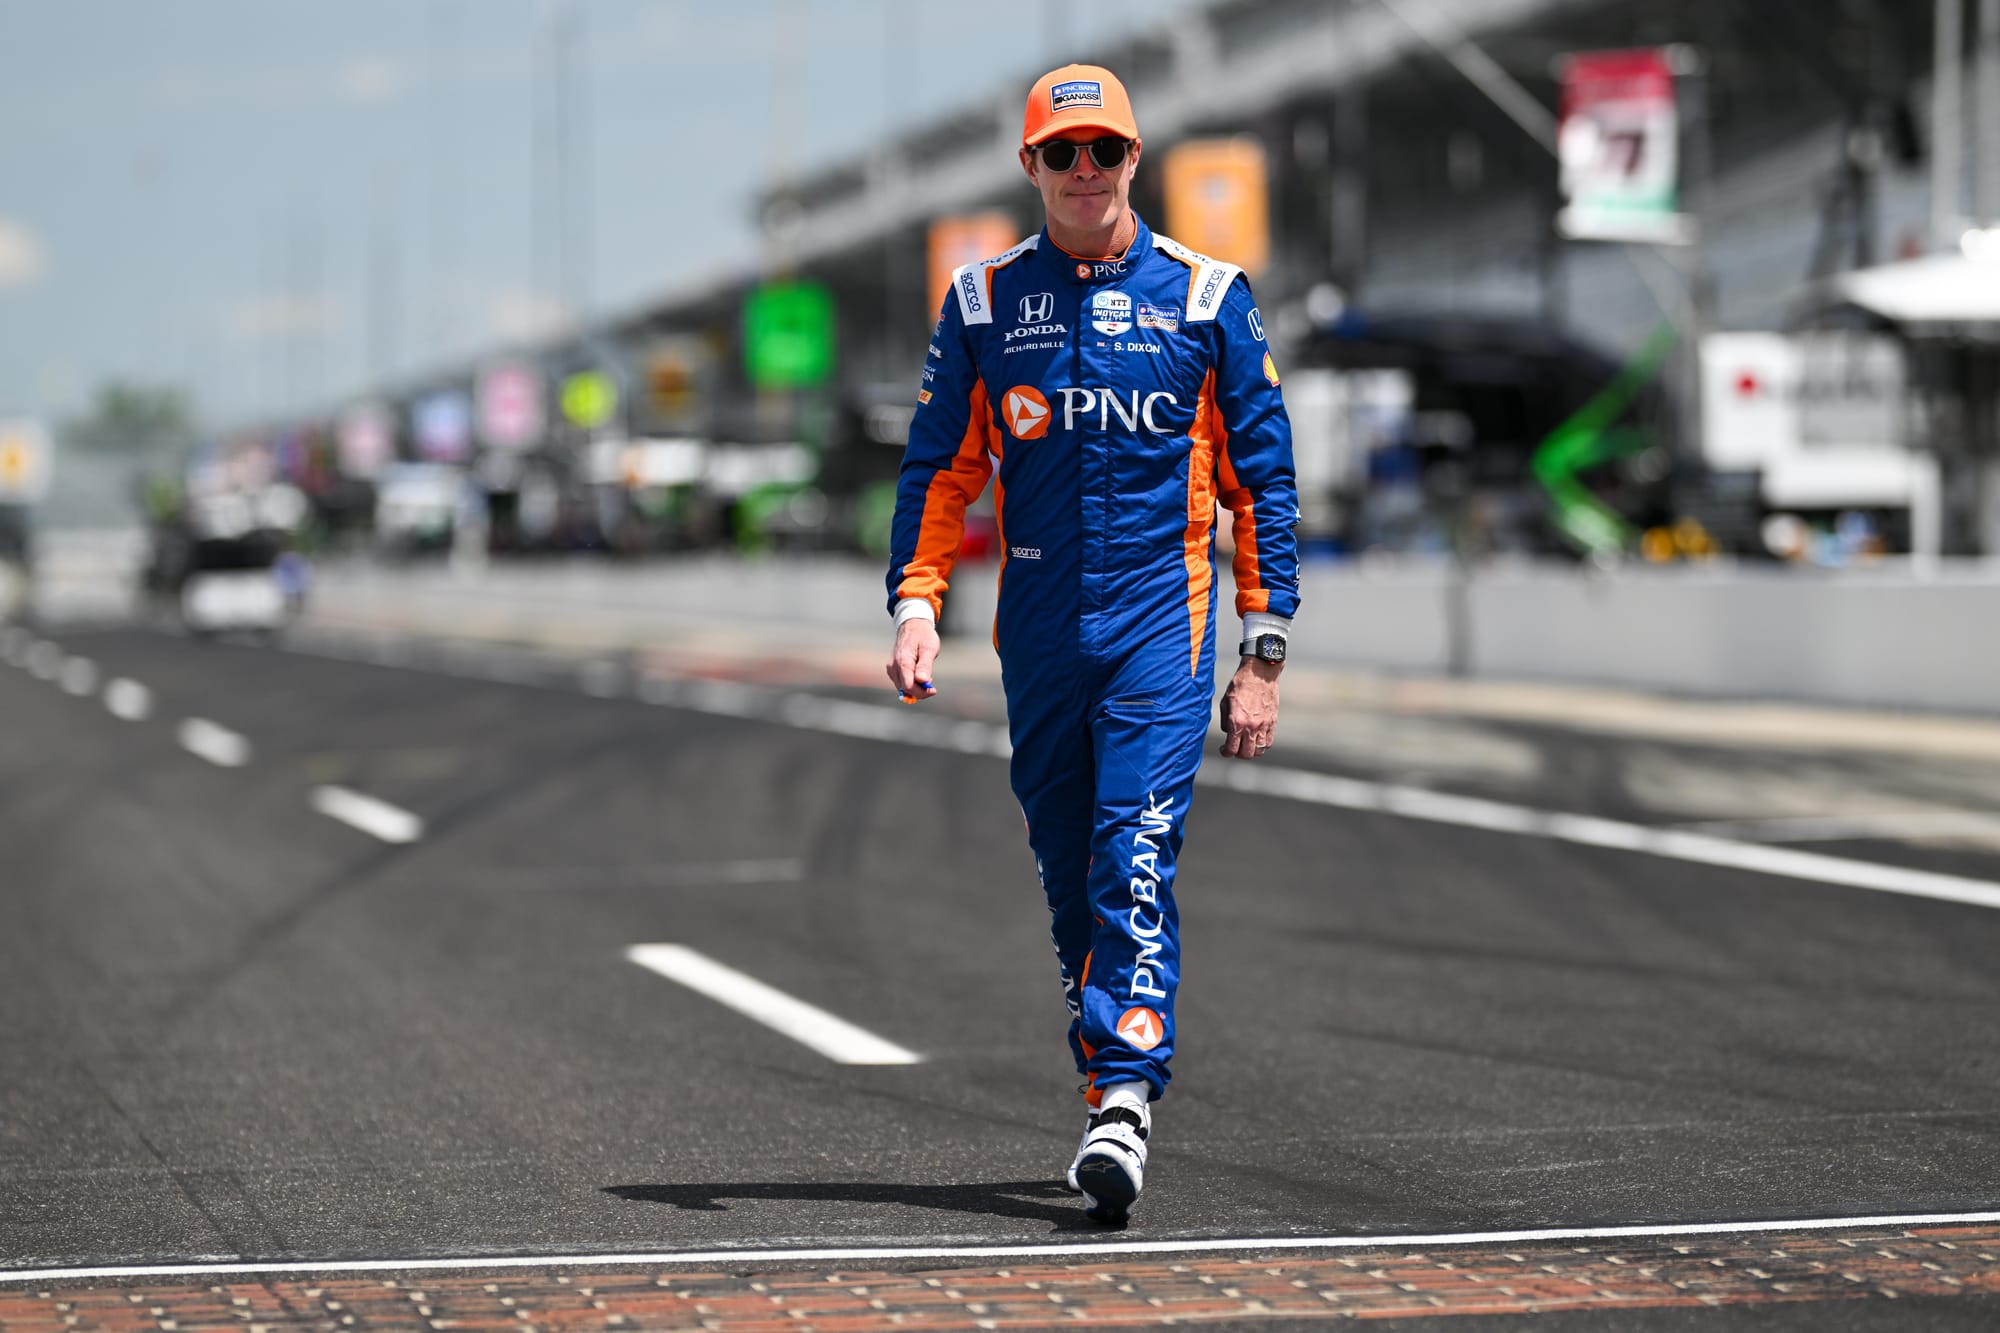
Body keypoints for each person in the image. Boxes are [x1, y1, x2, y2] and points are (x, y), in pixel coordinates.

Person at [883, 63, 1300, 1226]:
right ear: (1029, 167)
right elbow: (939, 470)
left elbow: (1263, 481)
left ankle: (1121, 1096)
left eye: (1103, 151)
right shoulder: (979, 303)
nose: (1083, 172)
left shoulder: (1211, 297)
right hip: (1038, 635)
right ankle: (1105, 1061)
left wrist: (1259, 654)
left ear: (1134, 160)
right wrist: (916, 601)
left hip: (1158, 631)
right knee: (1072, 875)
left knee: (1133, 853)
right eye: (1060, 154)